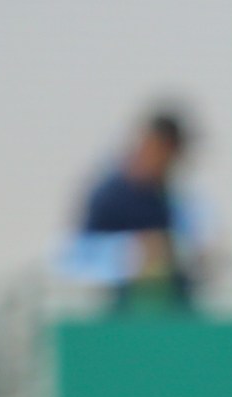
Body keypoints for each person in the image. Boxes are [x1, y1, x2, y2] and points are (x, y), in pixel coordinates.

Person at [63, 107, 202, 308]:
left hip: (172, 313)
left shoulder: (175, 198)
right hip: (120, 315)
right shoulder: (109, 196)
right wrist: (135, 251)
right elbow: (74, 257)